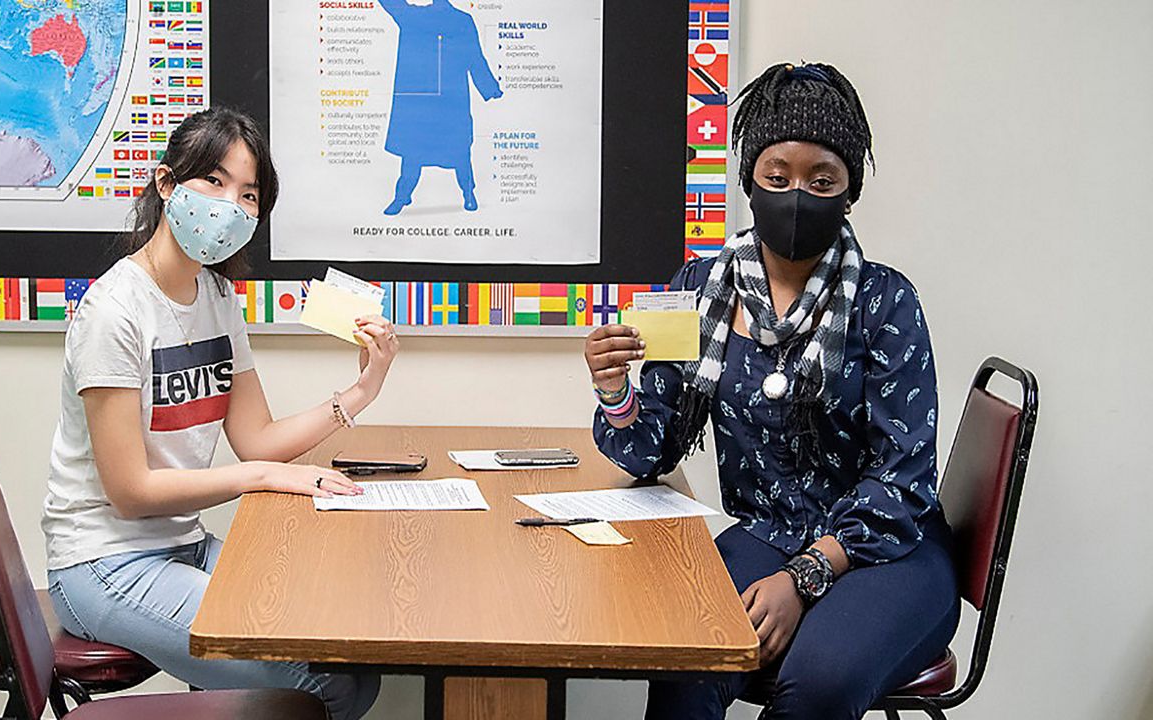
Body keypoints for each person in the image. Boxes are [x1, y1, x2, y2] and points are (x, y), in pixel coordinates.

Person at [583, 63, 959, 719]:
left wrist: (803, 577)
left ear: (849, 192)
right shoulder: (698, 288)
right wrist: (617, 391)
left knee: (817, 683)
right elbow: (653, 451)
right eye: (777, 177)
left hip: (888, 551)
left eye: (822, 181)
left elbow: (903, 481)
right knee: (688, 649)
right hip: (769, 530)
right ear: (749, 178)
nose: (795, 196)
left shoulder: (886, 300)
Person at [42, 107, 391, 720]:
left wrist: (362, 389)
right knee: (318, 682)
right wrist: (261, 478)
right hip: (103, 563)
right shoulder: (113, 312)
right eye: (214, 181)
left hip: (182, 545)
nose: (231, 204)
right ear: (166, 184)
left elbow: (256, 439)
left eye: (249, 194)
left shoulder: (217, 295)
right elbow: (131, 491)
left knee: (354, 660)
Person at [379, 0, 503, 215]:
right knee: (418, 152)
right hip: (428, 101)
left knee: (453, 150)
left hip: (448, 100)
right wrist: (490, 87)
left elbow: (474, 56)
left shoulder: (457, 20)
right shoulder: (416, 17)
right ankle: (403, 196)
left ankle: (468, 193)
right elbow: (475, 58)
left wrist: (490, 87)